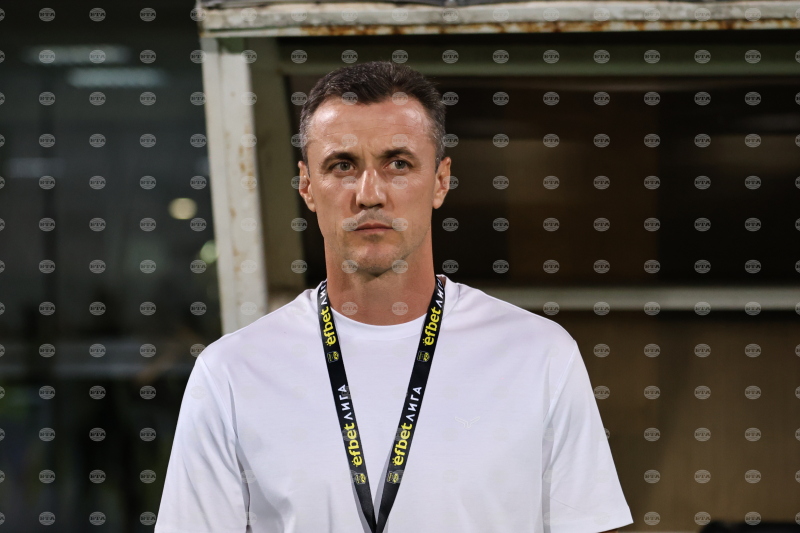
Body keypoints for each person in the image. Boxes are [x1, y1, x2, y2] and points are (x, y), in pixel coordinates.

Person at [154, 60, 633, 533]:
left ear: (441, 181)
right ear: (307, 186)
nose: (370, 194)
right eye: (343, 165)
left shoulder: (539, 355)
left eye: (397, 164)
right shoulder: (231, 373)